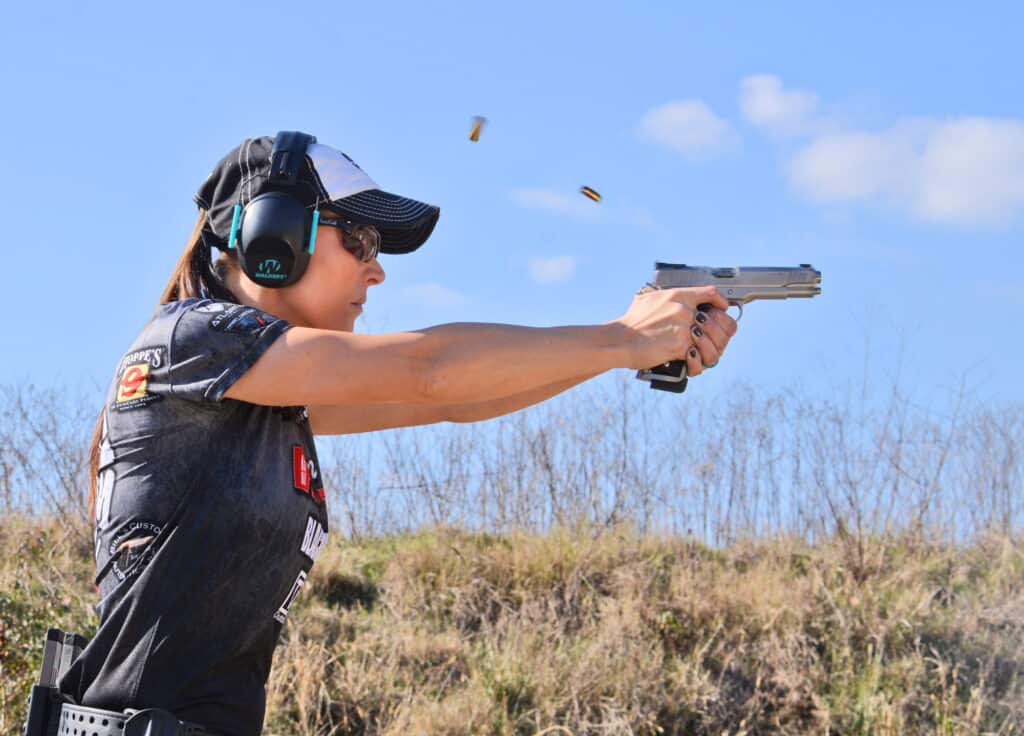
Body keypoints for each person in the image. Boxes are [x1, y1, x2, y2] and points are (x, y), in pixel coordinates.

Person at [59, 131, 737, 735]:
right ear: (274, 241)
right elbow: (431, 371)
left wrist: (626, 350)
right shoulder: (192, 342)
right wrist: (622, 338)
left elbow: (455, 402)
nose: (376, 268)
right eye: (358, 241)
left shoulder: (258, 395)